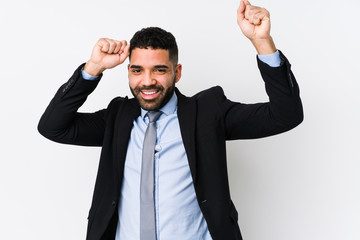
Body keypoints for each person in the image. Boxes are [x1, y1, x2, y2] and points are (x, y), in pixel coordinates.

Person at [38, 0, 303, 239]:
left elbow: (285, 115)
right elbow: (52, 127)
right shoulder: (118, 117)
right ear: (128, 72)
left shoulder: (208, 112)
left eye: (159, 70)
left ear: (176, 72)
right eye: (137, 70)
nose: (147, 81)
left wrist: (262, 43)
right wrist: (93, 68)